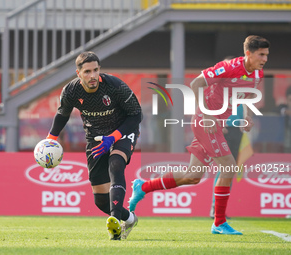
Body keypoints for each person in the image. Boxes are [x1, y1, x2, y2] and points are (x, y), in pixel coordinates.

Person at [129, 35, 270, 235]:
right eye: (261, 55)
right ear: (248, 53)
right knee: (229, 167)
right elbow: (196, 84)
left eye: (266, 55)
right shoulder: (228, 67)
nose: (265, 59)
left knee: (192, 176)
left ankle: (143, 187)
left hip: (216, 125)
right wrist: (207, 115)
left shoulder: (257, 75)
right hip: (205, 122)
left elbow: (246, 96)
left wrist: (247, 116)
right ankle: (219, 223)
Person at [46, 51, 142, 240]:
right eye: (88, 71)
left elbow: (136, 115)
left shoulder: (114, 86)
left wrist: (113, 137)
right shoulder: (71, 91)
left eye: (96, 70)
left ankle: (114, 223)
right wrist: (51, 138)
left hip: (122, 132)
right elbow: (62, 114)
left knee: (116, 164)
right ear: (78, 73)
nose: (93, 76)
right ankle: (129, 218)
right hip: (95, 138)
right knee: (100, 200)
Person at [278, 86, 291, 153]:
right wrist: (286, 111)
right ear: (286, 100)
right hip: (286, 146)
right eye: (290, 100)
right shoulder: (282, 107)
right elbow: (277, 110)